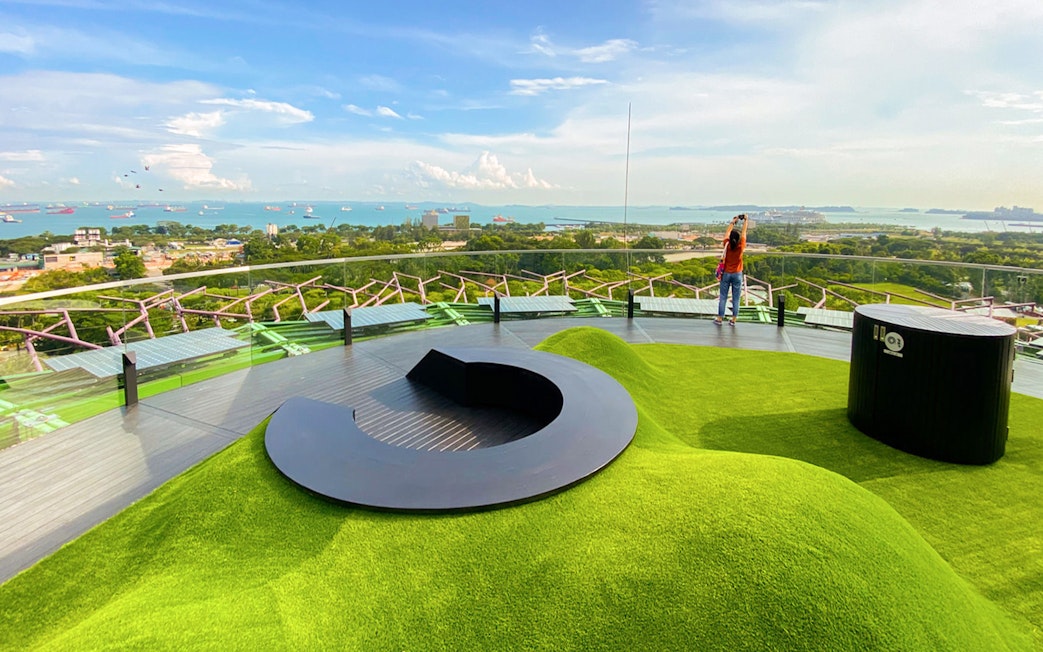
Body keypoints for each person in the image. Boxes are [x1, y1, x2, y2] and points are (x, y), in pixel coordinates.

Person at [715, 214, 748, 326]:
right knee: (736, 298)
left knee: (723, 296)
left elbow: (727, 233)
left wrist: (733, 221)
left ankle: (720, 318)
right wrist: (745, 221)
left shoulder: (727, 244)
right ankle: (733, 319)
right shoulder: (741, 246)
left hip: (726, 274)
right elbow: (744, 233)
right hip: (737, 274)